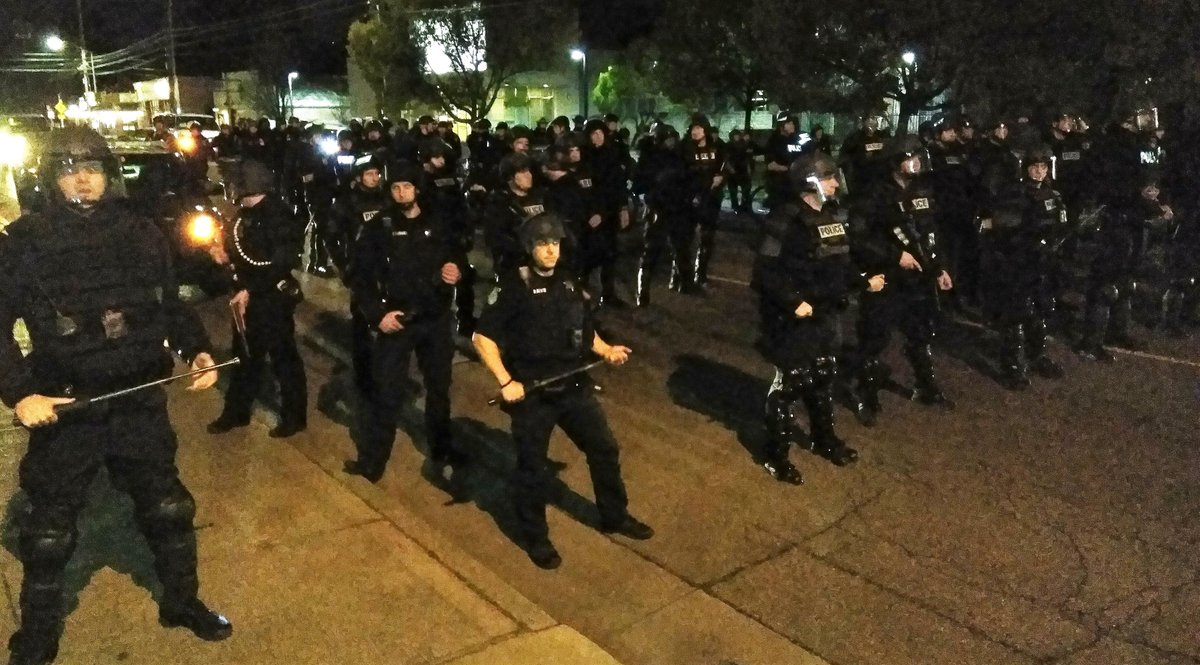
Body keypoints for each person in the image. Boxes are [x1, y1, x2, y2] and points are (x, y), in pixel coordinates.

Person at [0, 127, 231, 665]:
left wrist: (196, 349)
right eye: (68, 170)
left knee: (169, 507)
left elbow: (169, 303)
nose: (82, 179)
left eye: (92, 169)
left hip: (136, 397)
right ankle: (37, 637)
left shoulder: (140, 231)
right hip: (66, 403)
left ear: (108, 175)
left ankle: (181, 602)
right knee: (48, 534)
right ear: (52, 178)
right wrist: (20, 394)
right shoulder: (24, 241)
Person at [472, 213, 653, 569]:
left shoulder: (569, 281)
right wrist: (506, 381)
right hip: (533, 393)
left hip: (573, 387)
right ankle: (535, 537)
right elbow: (482, 338)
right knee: (533, 469)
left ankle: (614, 515)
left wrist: (605, 350)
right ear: (530, 248)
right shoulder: (513, 287)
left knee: (604, 448)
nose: (550, 250)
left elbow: (585, 329)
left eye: (554, 243)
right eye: (542, 244)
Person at [753, 152, 882, 484]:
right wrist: (792, 301)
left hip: (826, 312)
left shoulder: (831, 217)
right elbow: (765, 271)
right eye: (829, 178)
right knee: (791, 382)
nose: (836, 183)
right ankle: (775, 455)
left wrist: (863, 280)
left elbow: (840, 262)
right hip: (792, 318)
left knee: (823, 376)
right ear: (809, 182)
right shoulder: (785, 219)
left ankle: (825, 440)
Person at [344, 163, 468, 485]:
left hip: (435, 318)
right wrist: (377, 316)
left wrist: (455, 270)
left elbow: (458, 257)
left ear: (418, 189)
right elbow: (360, 276)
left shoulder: (437, 222)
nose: (402, 193)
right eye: (396, 188)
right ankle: (373, 460)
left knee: (439, 389)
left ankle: (441, 450)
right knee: (387, 393)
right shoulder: (378, 227)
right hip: (397, 320)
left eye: (408, 187)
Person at [851, 135, 956, 422]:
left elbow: (930, 234)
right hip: (886, 277)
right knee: (874, 337)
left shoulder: (922, 191)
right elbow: (859, 238)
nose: (917, 162)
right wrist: (895, 255)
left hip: (918, 279)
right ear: (895, 162)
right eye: (911, 158)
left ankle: (926, 387)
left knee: (920, 334)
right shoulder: (874, 195)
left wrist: (939, 267)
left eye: (919, 157)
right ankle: (866, 394)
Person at [206, 159, 308, 438]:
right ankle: (237, 412)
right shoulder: (243, 215)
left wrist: (250, 289)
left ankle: (294, 416)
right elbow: (241, 252)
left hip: (271, 299)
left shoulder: (279, 216)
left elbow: (280, 263)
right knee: (244, 357)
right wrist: (223, 257)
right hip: (247, 299)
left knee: (283, 359)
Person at [979, 145, 1069, 389]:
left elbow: (1058, 226)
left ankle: (1037, 355)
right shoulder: (1014, 194)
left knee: (1040, 310)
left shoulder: (1052, 195)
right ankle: (1011, 366)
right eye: (1034, 167)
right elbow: (1004, 229)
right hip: (1018, 263)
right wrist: (1031, 242)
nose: (1039, 171)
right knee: (1016, 314)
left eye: (1043, 167)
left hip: (1043, 263)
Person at [679, 114, 726, 288]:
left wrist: (721, 178)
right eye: (693, 128)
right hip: (689, 198)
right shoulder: (684, 148)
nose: (695, 131)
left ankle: (701, 274)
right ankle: (682, 276)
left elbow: (724, 167)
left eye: (698, 128)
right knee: (685, 239)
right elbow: (681, 173)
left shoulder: (716, 147)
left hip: (710, 199)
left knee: (707, 238)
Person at [726, 129, 755, 214]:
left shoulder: (744, 144)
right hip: (733, 170)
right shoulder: (728, 145)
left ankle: (744, 205)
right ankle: (735, 206)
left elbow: (747, 157)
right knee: (733, 191)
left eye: (738, 135)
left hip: (742, 170)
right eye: (735, 135)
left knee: (746, 189)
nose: (737, 137)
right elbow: (726, 158)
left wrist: (748, 168)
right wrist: (730, 168)